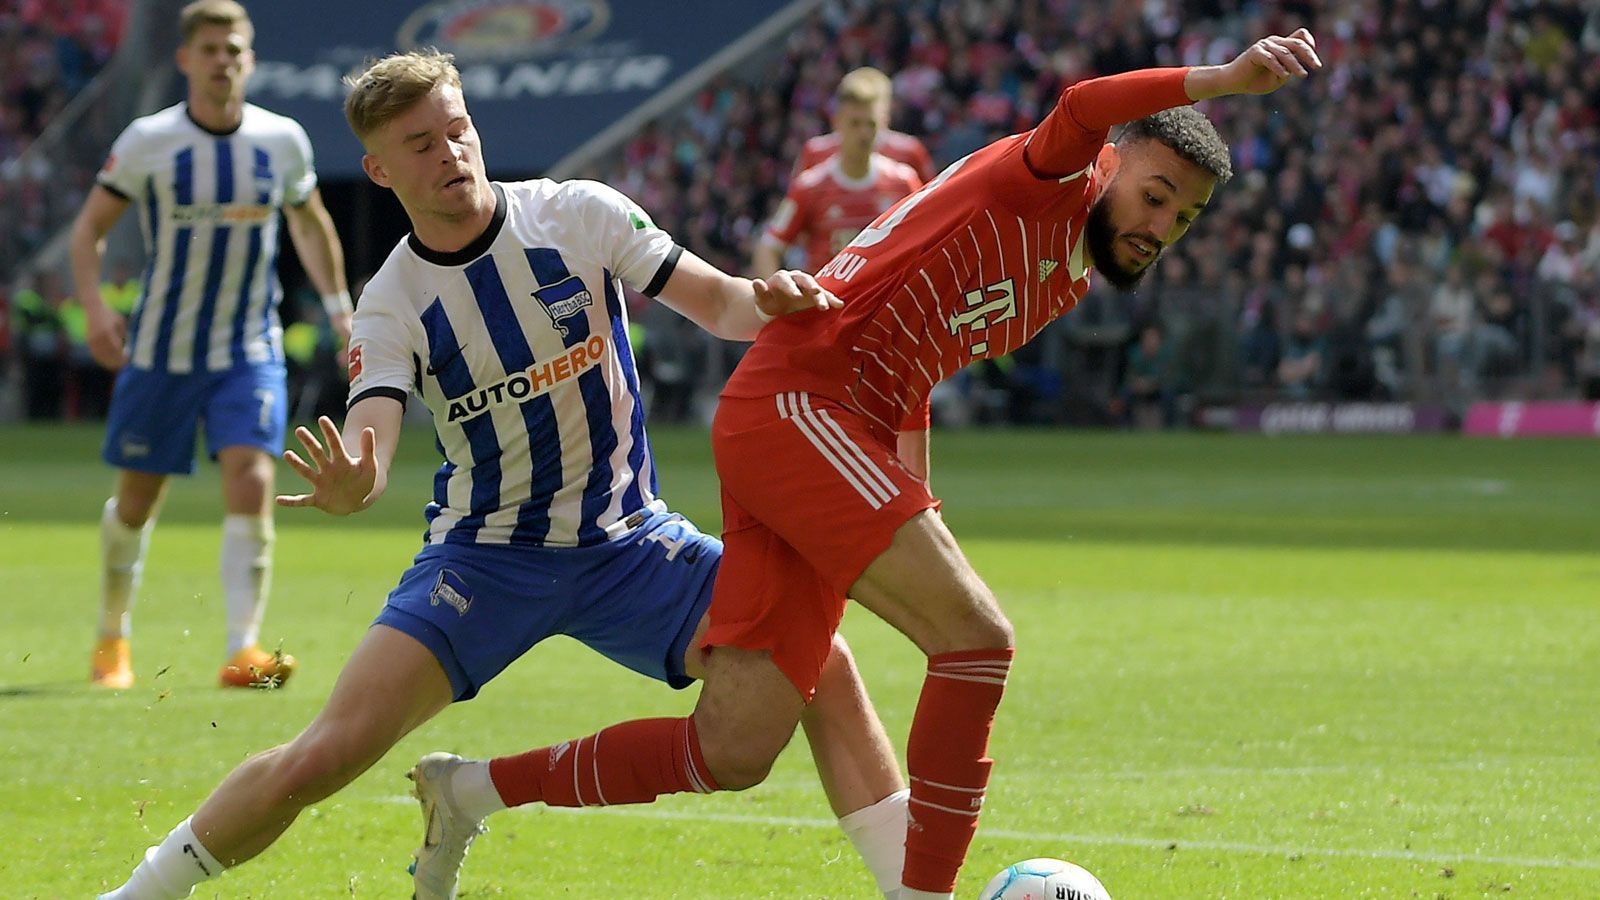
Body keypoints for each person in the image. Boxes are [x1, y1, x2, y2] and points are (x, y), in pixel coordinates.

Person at [434, 29, 1324, 900]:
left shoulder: (1066, 274)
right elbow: (1084, 103)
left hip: (819, 428)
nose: (1161, 226)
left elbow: (919, 367)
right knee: (977, 642)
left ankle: (466, 790)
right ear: (1116, 165)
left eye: (1185, 216)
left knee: (734, 749)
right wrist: (1221, 80)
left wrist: (916, 497)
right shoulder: (1051, 177)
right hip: (800, 405)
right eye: (1156, 195)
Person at [96, 50, 911, 900]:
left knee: (821, 662)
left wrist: (770, 297)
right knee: (328, 752)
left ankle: (912, 890)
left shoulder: (579, 213)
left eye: (457, 130)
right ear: (377, 169)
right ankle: (140, 893)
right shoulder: (392, 300)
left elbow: (719, 303)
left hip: (632, 544)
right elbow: (372, 433)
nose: (450, 152)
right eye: (420, 144)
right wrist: (353, 484)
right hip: (484, 560)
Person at [70, 0, 353, 690]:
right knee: (137, 501)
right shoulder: (149, 141)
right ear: (186, 60)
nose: (224, 61)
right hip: (161, 351)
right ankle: (112, 638)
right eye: (211, 50)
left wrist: (343, 310)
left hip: (247, 348)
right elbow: (89, 231)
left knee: (253, 479)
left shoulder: (281, 141)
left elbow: (311, 224)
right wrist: (96, 307)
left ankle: (243, 649)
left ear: (249, 59)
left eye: (235, 50)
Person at [754, 67, 923, 276]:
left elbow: (928, 237)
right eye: (855, 124)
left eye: (871, 124)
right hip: (831, 303)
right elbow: (768, 247)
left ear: (884, 123)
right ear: (837, 123)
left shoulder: (903, 181)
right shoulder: (809, 185)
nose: (864, 133)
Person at [795, 66, 936, 183]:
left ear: (886, 113)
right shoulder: (815, 152)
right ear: (838, 118)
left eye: (870, 121)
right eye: (855, 122)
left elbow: (929, 202)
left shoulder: (909, 152)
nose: (863, 132)